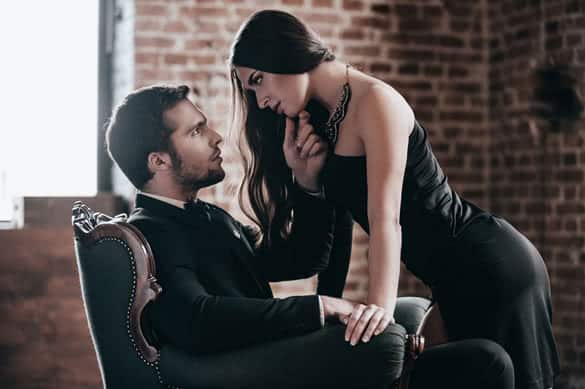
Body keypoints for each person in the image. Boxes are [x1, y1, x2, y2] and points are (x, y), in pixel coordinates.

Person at [229, 9, 559, 389]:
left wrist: (379, 309)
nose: (259, 100)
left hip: (491, 265)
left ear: (282, 53)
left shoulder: (377, 102)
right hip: (449, 280)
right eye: (250, 90)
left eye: (257, 81)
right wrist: (308, 182)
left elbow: (386, 216)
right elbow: (331, 241)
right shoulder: (321, 121)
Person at [105, 84, 513, 389]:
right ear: (158, 161)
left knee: (473, 353)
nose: (216, 138)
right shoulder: (153, 230)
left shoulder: (203, 215)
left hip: (280, 353)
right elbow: (196, 319)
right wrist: (320, 308)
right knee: (484, 362)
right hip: (259, 368)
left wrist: (308, 181)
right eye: (196, 132)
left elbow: (294, 260)